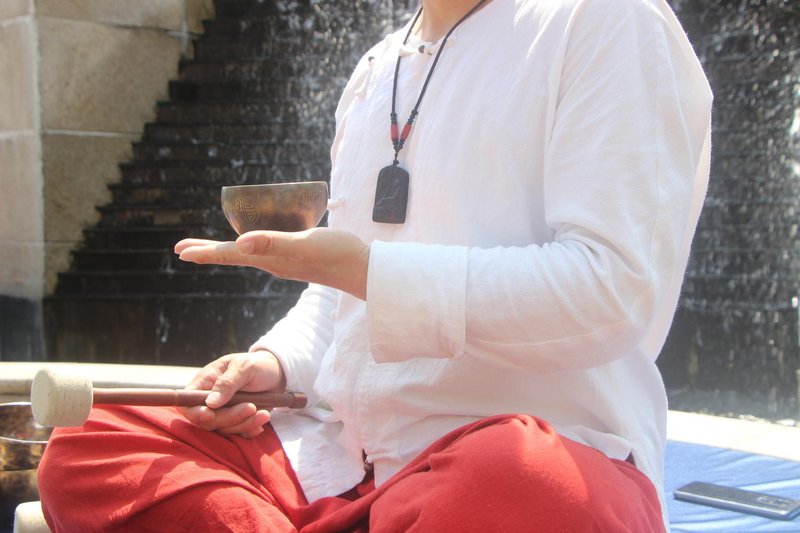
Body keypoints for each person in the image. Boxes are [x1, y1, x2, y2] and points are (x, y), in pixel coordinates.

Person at [37, 0, 712, 530]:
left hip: (513, 462)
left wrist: (369, 272)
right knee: (92, 442)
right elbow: (340, 295)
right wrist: (274, 363)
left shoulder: (607, 18)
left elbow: (613, 291)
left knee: (526, 481)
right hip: (343, 463)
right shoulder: (377, 67)